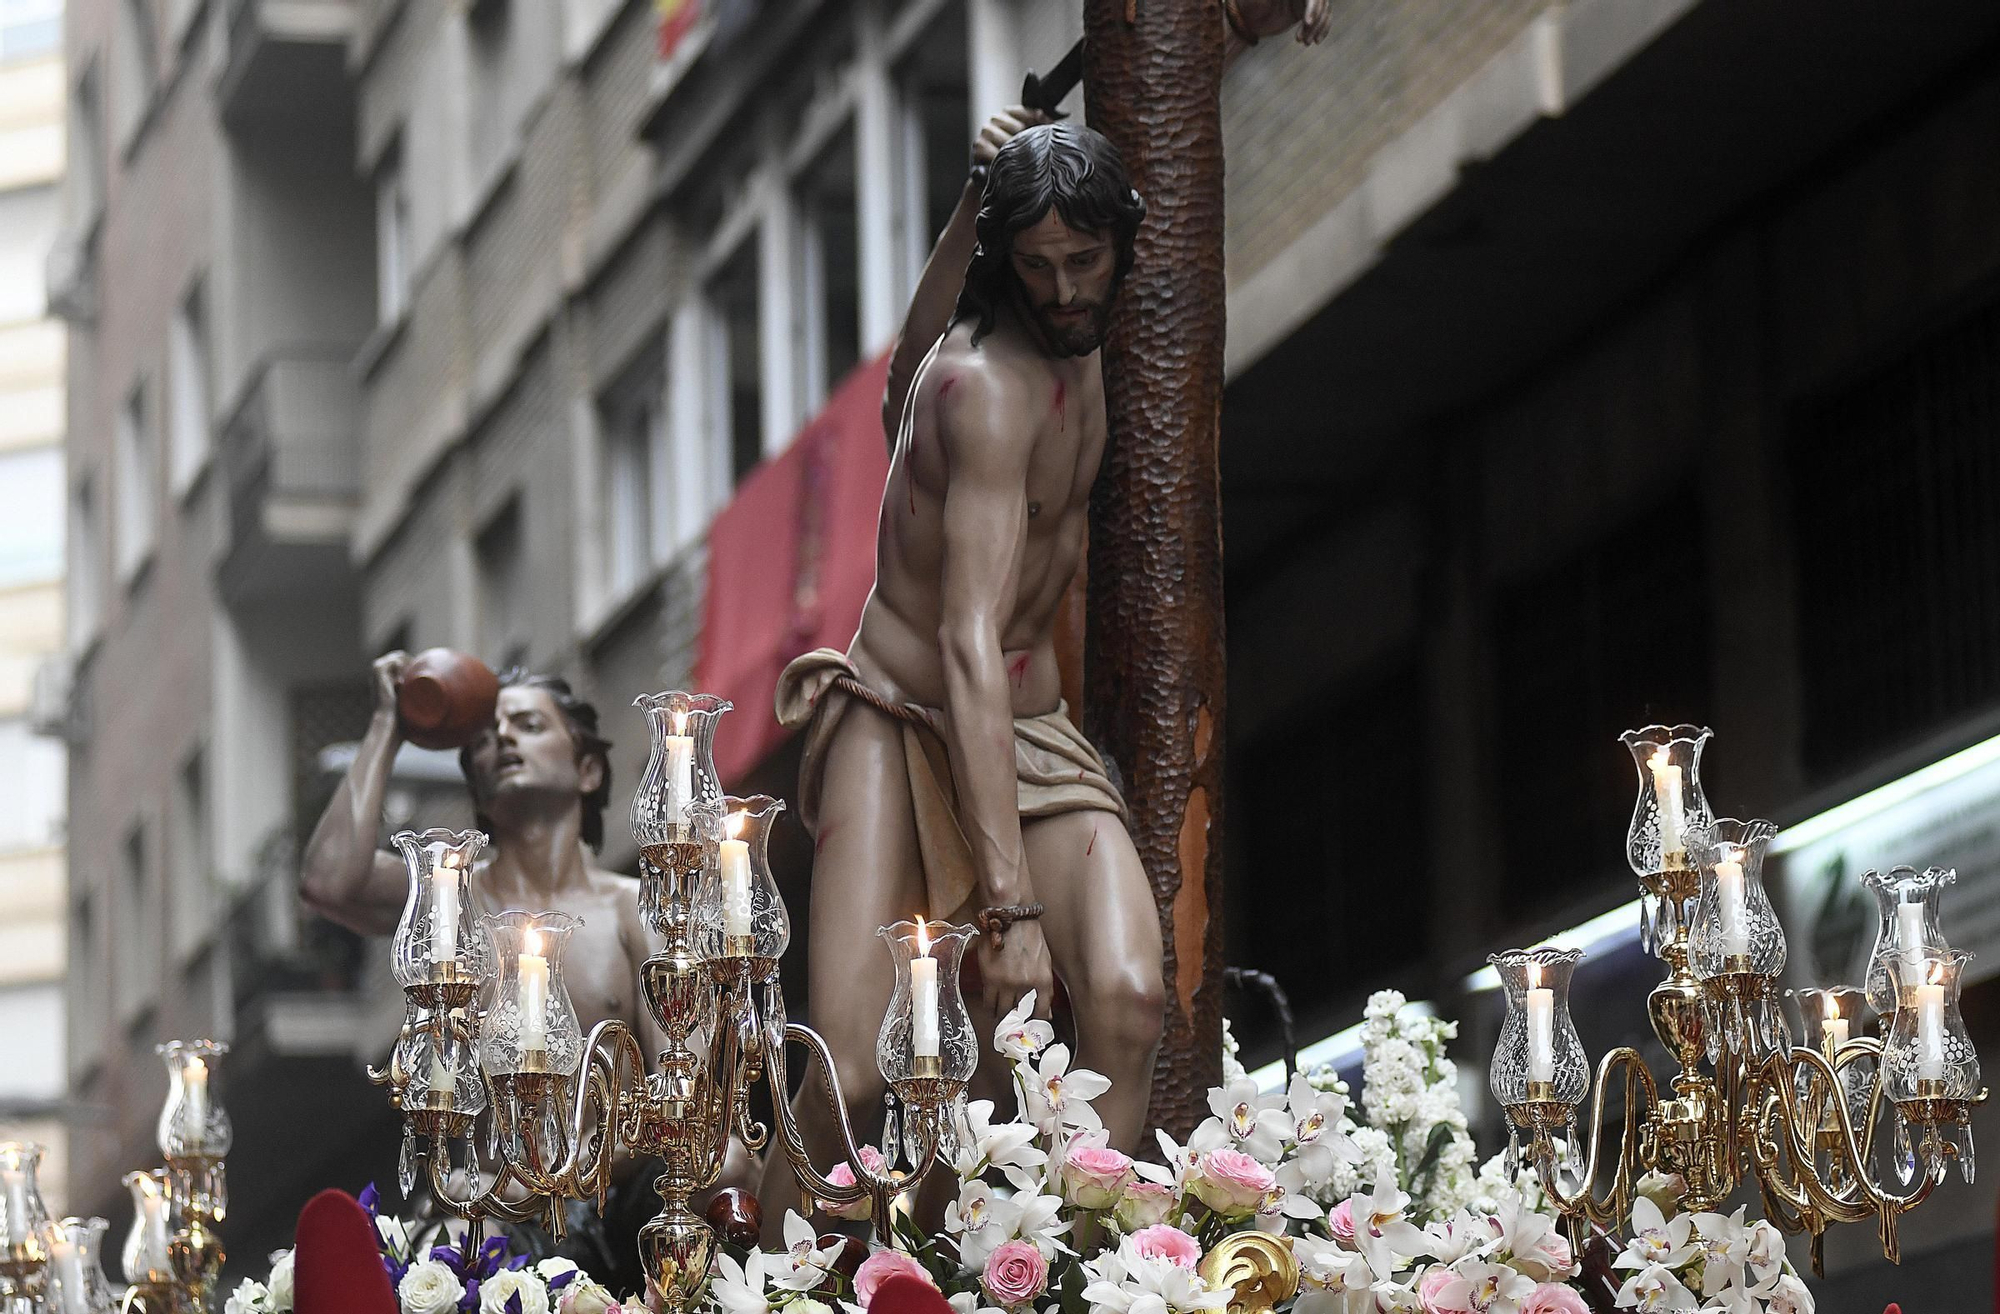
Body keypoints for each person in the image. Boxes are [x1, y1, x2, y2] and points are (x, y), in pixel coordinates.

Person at [766, 117, 1164, 1221]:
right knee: (847, 1074)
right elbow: (963, 644)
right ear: (1006, 263)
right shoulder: (984, 386)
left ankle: (1067, 1273)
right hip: (901, 716)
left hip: (1025, 725)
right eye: (1034, 267)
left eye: (1083, 262)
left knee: (1129, 1000)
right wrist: (1009, 912)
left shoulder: (1076, 344)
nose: (1063, 288)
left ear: (1121, 245)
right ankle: (753, 1277)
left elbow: (900, 380)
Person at [300, 654, 668, 1288]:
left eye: (527, 723)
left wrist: (592, 1169)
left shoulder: (634, 910)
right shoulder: (447, 896)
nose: (501, 737)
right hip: (482, 1236)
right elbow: (329, 880)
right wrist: (389, 722)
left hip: (621, 1220)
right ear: (475, 786)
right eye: (484, 736)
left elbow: (681, 1092)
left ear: (587, 768)